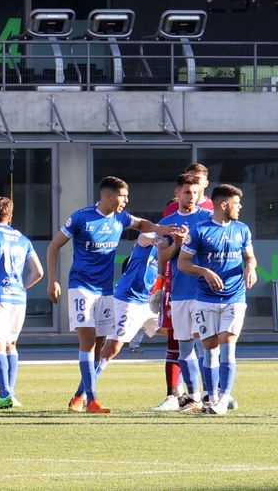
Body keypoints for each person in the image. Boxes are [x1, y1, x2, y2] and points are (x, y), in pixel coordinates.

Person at [47, 176, 186, 414]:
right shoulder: (82, 218)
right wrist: (52, 280)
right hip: (82, 286)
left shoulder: (121, 218)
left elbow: (141, 224)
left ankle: (80, 397)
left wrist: (161, 227)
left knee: (101, 343)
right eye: (123, 196)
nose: (126, 200)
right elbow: (54, 245)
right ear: (108, 196)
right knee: (90, 343)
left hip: (106, 290)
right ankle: (91, 399)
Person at [177, 183, 256, 415]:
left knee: (227, 346)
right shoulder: (200, 231)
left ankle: (223, 398)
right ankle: (210, 400)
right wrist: (204, 271)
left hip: (234, 297)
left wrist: (251, 267)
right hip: (205, 299)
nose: (240, 207)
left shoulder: (242, 229)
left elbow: (250, 257)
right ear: (224, 204)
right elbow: (183, 263)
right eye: (236, 203)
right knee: (209, 349)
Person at [0, 195, 44, 410]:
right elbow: (39, 272)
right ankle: (11, 393)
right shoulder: (23, 239)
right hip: (18, 298)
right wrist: (22, 287)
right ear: (10, 216)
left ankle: (5, 394)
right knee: (11, 344)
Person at [154, 167, 214, 412]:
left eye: (195, 192)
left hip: (202, 292)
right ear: (176, 194)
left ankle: (213, 393)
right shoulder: (166, 224)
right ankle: (194, 397)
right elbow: (162, 258)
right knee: (185, 346)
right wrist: (177, 243)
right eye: (187, 192)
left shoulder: (207, 219)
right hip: (178, 291)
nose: (191, 196)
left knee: (207, 345)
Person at [88, 230, 166, 401]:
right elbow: (142, 238)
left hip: (150, 302)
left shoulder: (172, 247)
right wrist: (157, 238)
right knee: (112, 349)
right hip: (128, 300)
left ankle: (180, 394)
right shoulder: (150, 241)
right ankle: (85, 390)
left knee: (178, 335)